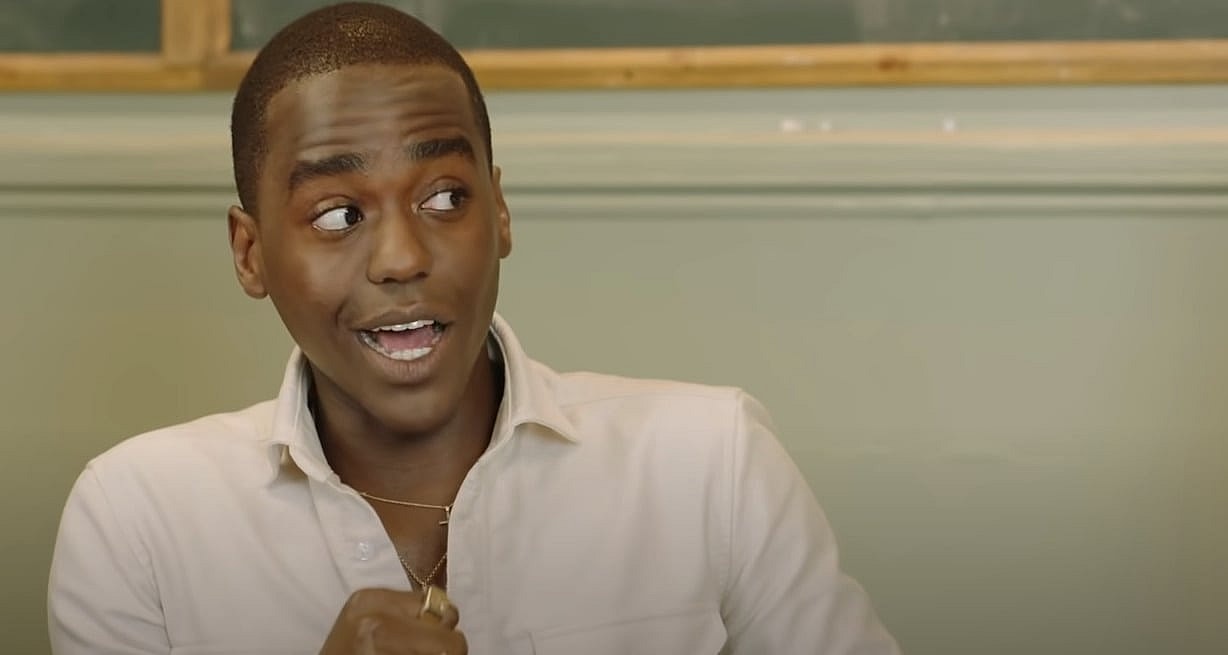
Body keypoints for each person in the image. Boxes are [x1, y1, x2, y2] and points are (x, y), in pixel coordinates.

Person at [47, 3, 900, 654]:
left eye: (445, 197)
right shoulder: (139, 521)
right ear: (251, 253)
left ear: (499, 211)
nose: (402, 257)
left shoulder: (712, 462)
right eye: (338, 214)